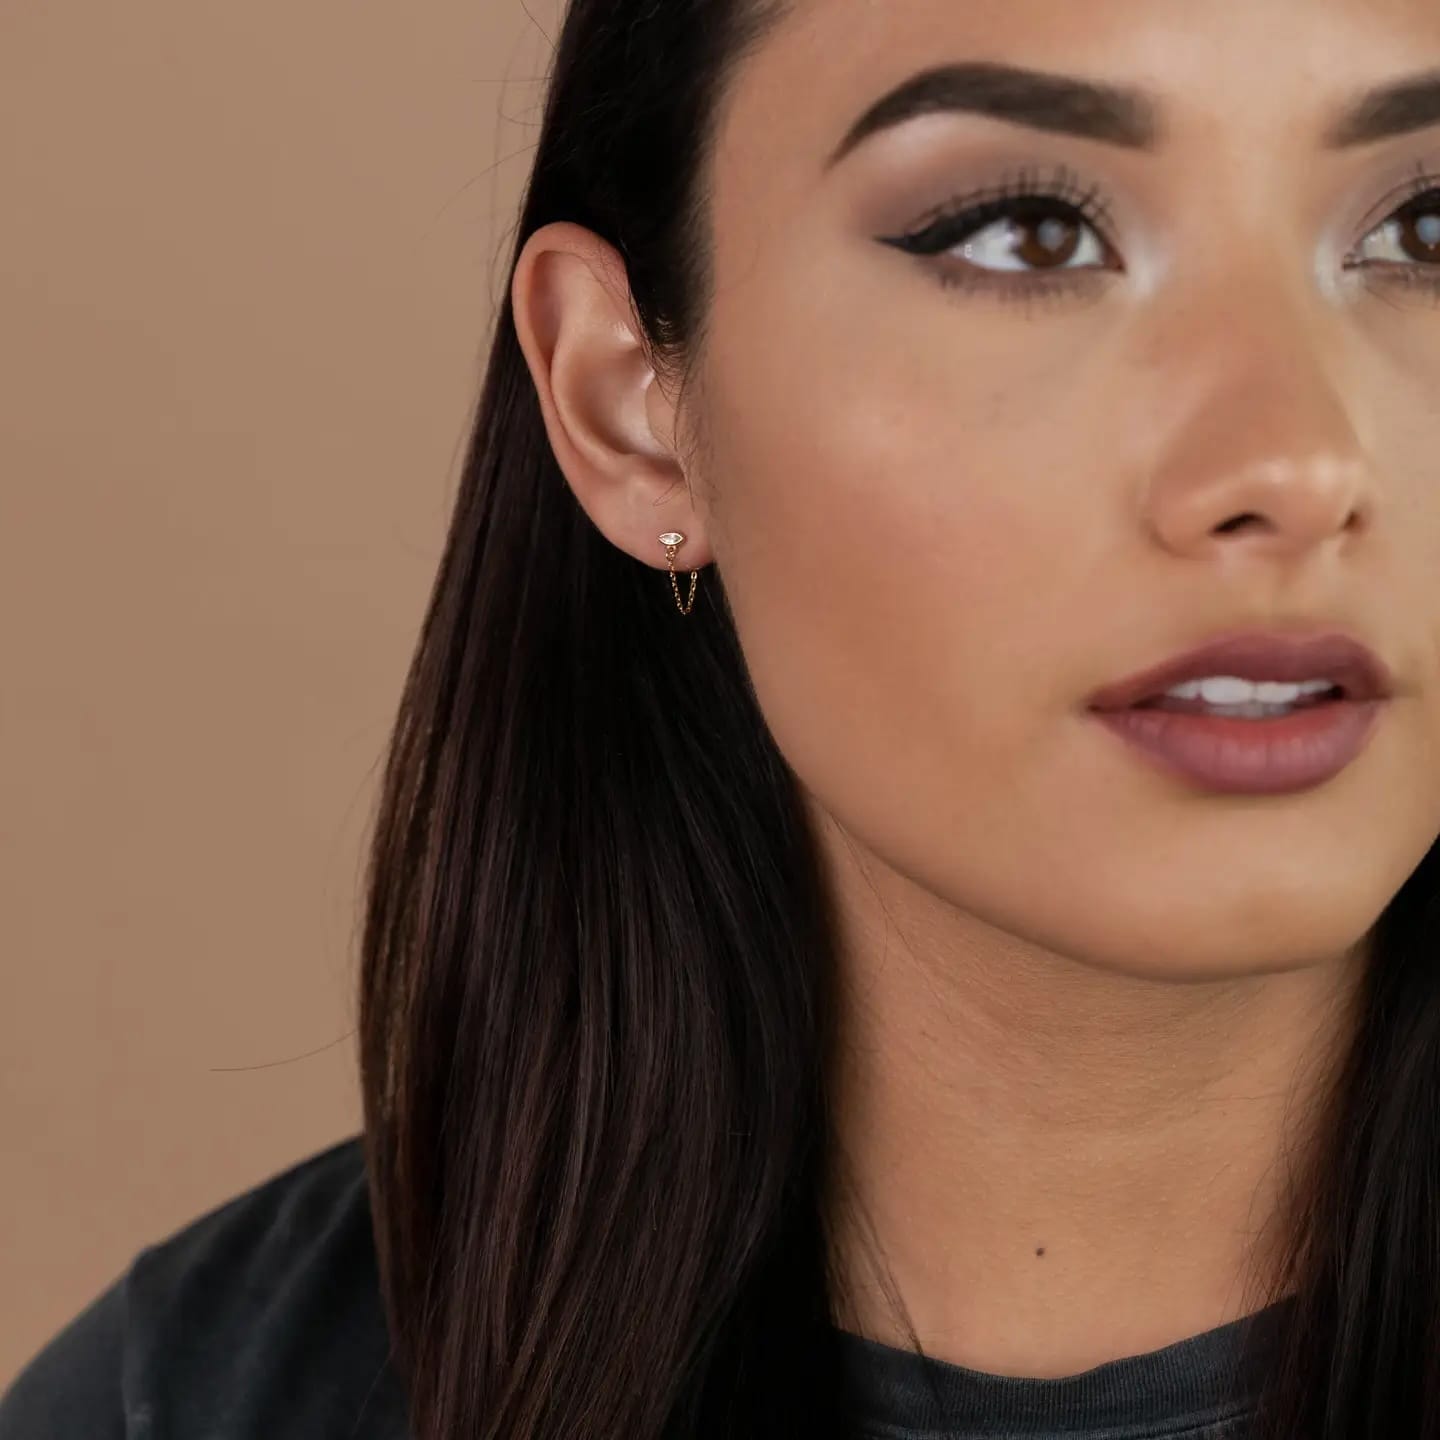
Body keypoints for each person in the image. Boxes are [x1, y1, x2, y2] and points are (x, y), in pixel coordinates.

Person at [8, 0, 1440, 1435]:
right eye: (1029, 235)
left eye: (1428, 229)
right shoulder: (192, 1400)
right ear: (628, 405)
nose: (1295, 466)